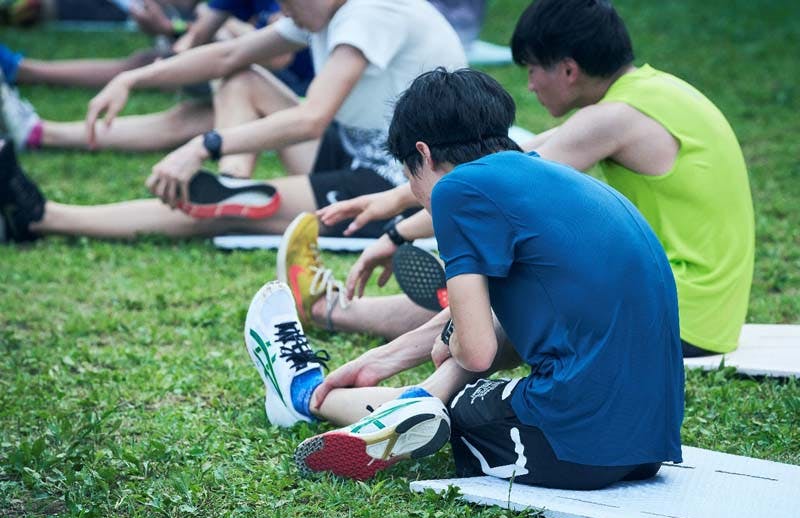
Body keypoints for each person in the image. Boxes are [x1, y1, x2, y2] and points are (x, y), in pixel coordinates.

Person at [244, 68, 685, 487]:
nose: (417, 193)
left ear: (423, 154)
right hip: (648, 447)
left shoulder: (457, 190)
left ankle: (302, 393)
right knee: (474, 348)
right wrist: (383, 359)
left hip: (574, 450)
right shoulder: (551, 177)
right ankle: (384, 398)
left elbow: (475, 353)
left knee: (438, 411)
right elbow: (499, 321)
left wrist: (449, 341)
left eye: (410, 178)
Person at [312, 0, 755, 357]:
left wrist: (395, 235)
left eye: (532, 69)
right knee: (497, 276)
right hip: (702, 311)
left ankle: (330, 310)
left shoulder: (612, 119)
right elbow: (510, 160)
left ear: (568, 70)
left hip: (676, 316)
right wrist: (394, 200)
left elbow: (493, 190)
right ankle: (344, 312)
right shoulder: (653, 93)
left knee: (498, 282)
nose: (529, 85)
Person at [0, 0, 466, 241]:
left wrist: (205, 143)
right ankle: (233, 187)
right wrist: (134, 78)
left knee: (223, 210)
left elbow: (311, 117)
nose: (280, 9)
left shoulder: (371, 11)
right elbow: (229, 55)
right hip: (355, 150)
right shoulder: (330, 10)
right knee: (241, 78)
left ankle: (42, 218)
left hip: (402, 185)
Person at [0, 0, 313, 153]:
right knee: (175, 96)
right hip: (284, 95)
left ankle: (231, 188)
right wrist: (152, 67)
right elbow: (197, 42)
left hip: (297, 95)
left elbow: (276, 57)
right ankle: (37, 131)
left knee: (215, 99)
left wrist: (188, 34)